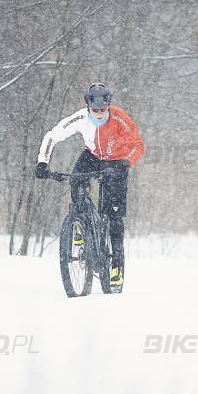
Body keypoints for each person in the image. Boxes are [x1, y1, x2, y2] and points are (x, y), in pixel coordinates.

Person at [34, 83, 144, 287]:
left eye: (103, 110)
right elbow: (52, 136)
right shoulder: (81, 118)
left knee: (114, 217)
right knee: (76, 180)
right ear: (88, 107)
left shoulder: (119, 118)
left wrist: (127, 163)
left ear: (109, 106)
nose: (100, 114)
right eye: (95, 110)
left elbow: (138, 144)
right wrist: (43, 162)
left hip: (117, 162)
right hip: (92, 155)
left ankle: (116, 267)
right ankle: (80, 224)